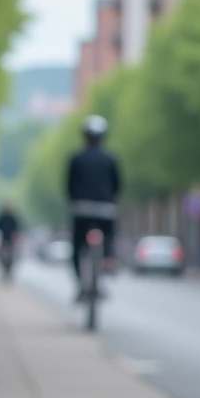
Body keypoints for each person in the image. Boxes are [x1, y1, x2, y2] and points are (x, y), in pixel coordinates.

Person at [66, 115, 121, 301]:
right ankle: (109, 257)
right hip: (105, 209)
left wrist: (75, 200)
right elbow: (117, 185)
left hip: (81, 209)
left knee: (76, 246)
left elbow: (69, 185)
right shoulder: (111, 159)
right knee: (110, 234)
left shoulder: (76, 158)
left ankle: (82, 284)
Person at [0, 202, 21, 283]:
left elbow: (17, 228)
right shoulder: (1, 218)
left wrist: (16, 237)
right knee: (1, 257)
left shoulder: (13, 218)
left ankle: (8, 272)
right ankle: (5, 270)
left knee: (11, 257)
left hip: (11, 241)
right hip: (3, 240)